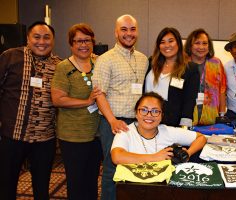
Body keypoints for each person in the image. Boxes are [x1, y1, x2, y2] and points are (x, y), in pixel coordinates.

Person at [0, 21, 61, 200]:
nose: (41, 41)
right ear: (28, 38)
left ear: (53, 41)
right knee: (6, 184)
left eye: (46, 37)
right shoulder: (10, 56)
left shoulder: (59, 65)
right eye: (36, 37)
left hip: (45, 138)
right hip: (13, 135)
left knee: (42, 187)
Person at [92, 15, 148, 200]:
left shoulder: (143, 59)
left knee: (136, 168)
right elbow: (99, 94)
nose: (128, 33)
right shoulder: (105, 59)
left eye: (132, 29)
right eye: (124, 29)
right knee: (112, 169)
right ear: (116, 33)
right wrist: (112, 121)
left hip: (138, 124)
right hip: (113, 123)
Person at [51, 23, 101, 200]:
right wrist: (86, 101)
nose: (83, 45)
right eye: (78, 41)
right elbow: (57, 99)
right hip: (72, 137)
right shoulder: (63, 67)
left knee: (92, 179)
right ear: (71, 44)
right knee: (76, 181)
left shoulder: (98, 62)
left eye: (87, 40)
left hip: (96, 134)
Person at [111, 92, 207, 165]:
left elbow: (201, 138)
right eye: (144, 110)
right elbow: (117, 157)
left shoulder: (167, 131)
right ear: (136, 113)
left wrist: (188, 153)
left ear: (161, 116)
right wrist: (155, 157)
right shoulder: (125, 132)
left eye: (155, 111)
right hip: (134, 187)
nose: (149, 115)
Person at [144, 27, 199, 128]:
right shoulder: (151, 63)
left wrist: (184, 128)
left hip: (172, 124)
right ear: (158, 46)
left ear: (178, 43)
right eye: (162, 42)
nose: (167, 45)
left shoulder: (190, 68)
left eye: (171, 41)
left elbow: (189, 101)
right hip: (146, 119)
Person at [184, 28, 227, 125]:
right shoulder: (183, 63)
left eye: (204, 43)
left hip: (211, 118)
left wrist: (222, 115)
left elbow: (222, 90)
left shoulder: (216, 63)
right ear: (190, 46)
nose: (201, 47)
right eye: (197, 43)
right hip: (187, 118)